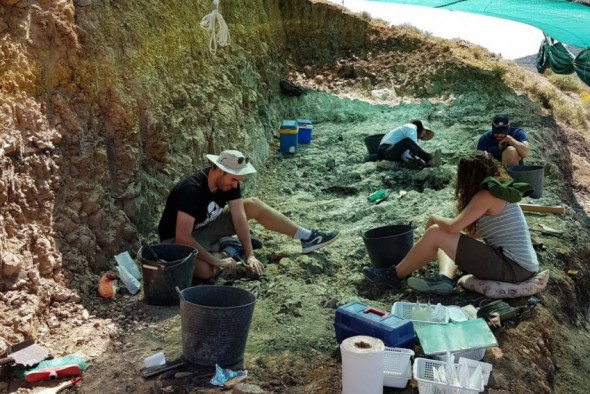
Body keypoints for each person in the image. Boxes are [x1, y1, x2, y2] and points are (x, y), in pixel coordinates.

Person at [362, 152, 539, 295]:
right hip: (520, 267)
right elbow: (471, 233)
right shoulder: (500, 191)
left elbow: (454, 226)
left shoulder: (486, 195)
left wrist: (434, 218)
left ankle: (392, 276)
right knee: (446, 235)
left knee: (436, 232)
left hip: (513, 269)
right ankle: (444, 278)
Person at [157, 149, 340, 280]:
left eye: (239, 181)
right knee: (204, 271)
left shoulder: (229, 183)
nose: (236, 185)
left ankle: (307, 236)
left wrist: (251, 255)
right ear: (219, 170)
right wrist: (216, 260)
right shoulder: (191, 190)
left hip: (207, 226)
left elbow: (239, 216)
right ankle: (228, 249)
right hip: (176, 240)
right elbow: (183, 236)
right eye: (234, 180)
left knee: (252, 205)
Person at [375, 120, 442, 167]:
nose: (425, 135)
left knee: (410, 146)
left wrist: (416, 161)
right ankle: (429, 159)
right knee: (407, 141)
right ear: (422, 127)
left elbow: (409, 151)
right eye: (426, 131)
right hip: (385, 151)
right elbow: (411, 146)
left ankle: (429, 160)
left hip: (389, 152)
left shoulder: (407, 130)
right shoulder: (411, 127)